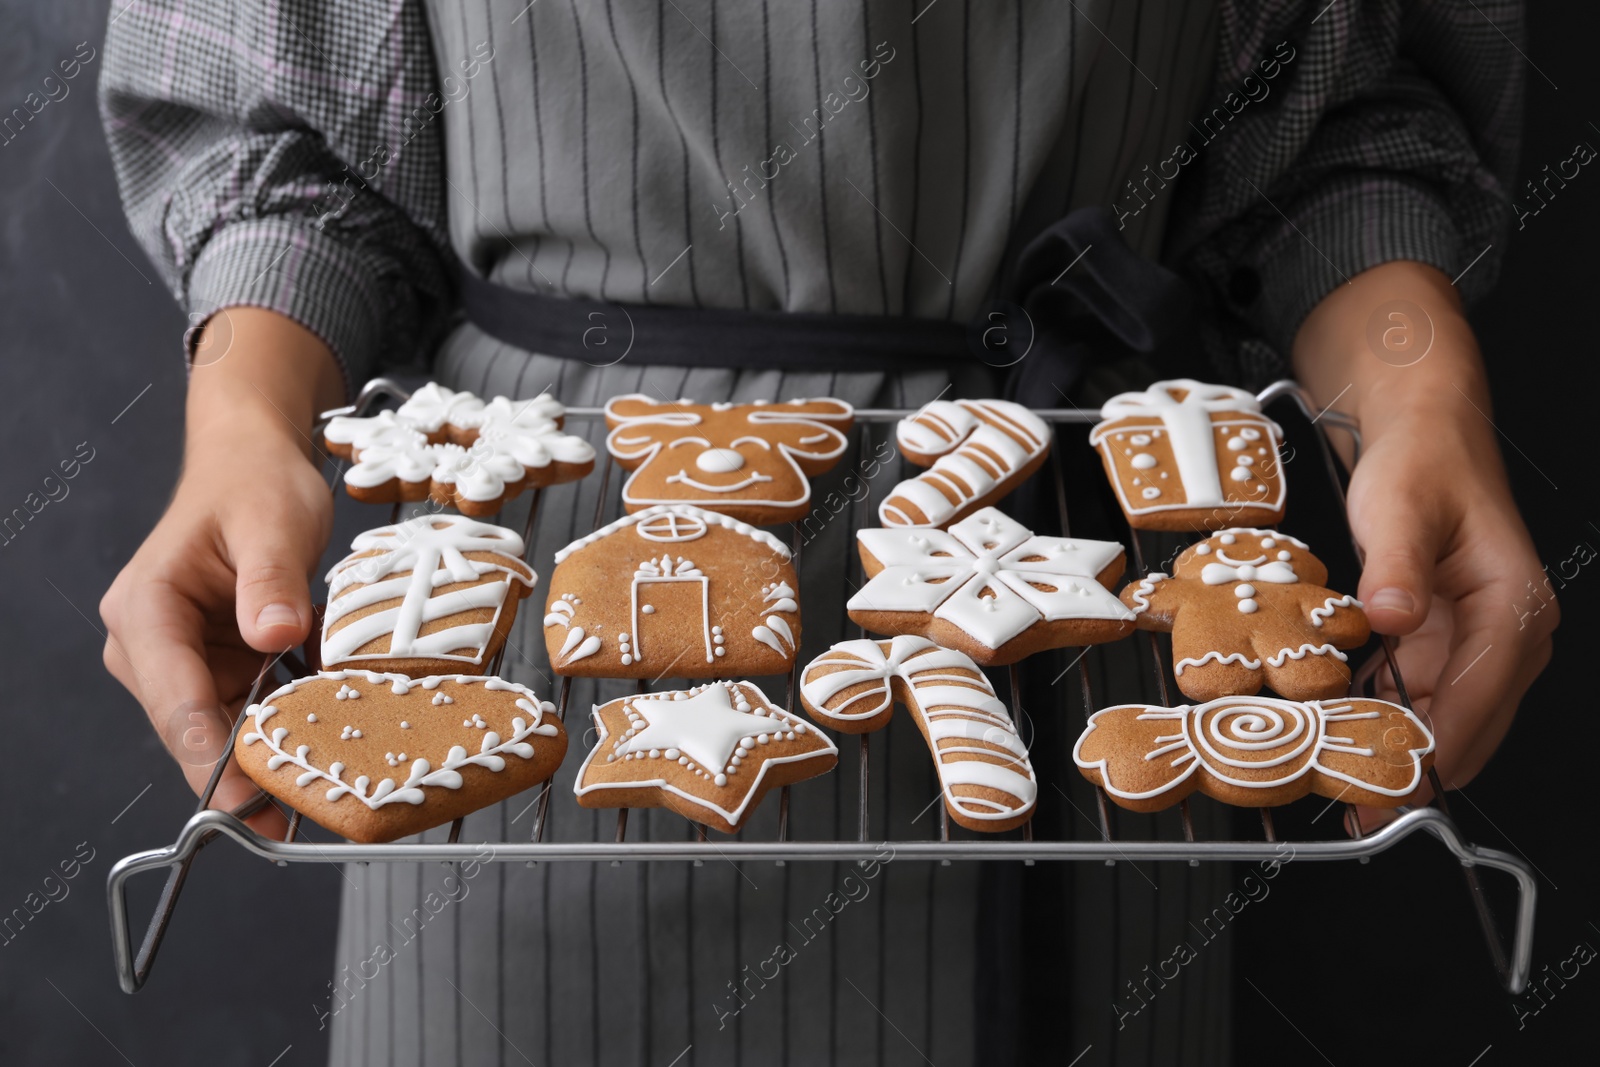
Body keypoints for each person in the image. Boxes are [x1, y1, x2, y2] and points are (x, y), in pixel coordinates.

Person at [97, 1, 1553, 1064]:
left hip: (1070, 604)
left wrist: (1427, 403)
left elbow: (1341, 126)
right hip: (547, 627)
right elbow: (292, 158)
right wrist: (242, 424)